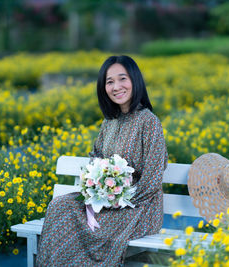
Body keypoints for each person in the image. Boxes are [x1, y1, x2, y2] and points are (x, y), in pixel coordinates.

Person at [36, 55, 168, 266]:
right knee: (59, 206)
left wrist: (117, 200)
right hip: (105, 201)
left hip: (138, 207)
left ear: (135, 80)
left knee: (86, 228)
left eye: (122, 79)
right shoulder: (109, 122)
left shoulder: (149, 122)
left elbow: (151, 181)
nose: (117, 86)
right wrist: (96, 190)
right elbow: (95, 159)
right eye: (109, 82)